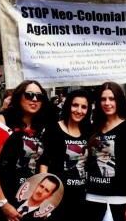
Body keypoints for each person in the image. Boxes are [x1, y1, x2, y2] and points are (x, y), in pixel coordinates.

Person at [0, 80, 50, 221]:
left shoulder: (42, 126)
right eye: (29, 95)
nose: (34, 99)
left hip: (29, 202)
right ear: (19, 97)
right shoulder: (3, 120)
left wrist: (43, 201)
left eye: (39, 96)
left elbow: (42, 164)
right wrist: (3, 203)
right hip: (5, 200)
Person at [85, 81, 126, 221]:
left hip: (119, 200)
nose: (107, 103)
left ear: (119, 100)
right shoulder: (93, 128)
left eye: (112, 98)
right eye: (103, 99)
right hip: (92, 197)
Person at [39, 89, 92, 220]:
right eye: (75, 105)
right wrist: (43, 199)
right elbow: (44, 163)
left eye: (84, 107)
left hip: (81, 197)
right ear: (68, 105)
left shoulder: (89, 131)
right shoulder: (54, 128)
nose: (79, 111)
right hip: (57, 197)